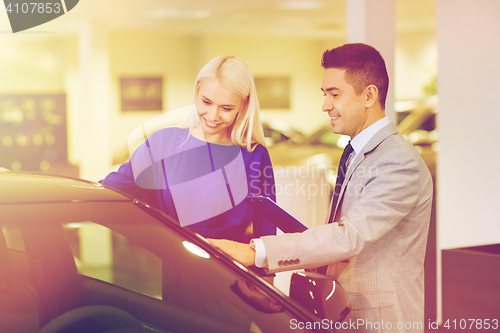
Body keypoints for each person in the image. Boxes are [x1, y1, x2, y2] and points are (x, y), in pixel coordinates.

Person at [210, 43, 433, 332]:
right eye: (325, 94)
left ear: (368, 95)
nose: (326, 105)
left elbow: (350, 236)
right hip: (346, 315)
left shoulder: (399, 162)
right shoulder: (357, 152)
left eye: (334, 94)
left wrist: (256, 252)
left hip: (379, 322)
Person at [102, 55, 276, 244]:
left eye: (226, 108)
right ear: (197, 92)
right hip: (173, 265)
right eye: (206, 102)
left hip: (229, 270)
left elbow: (266, 232)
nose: (213, 115)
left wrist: (266, 272)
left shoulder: (254, 156)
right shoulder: (162, 143)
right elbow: (108, 191)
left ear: (243, 105)